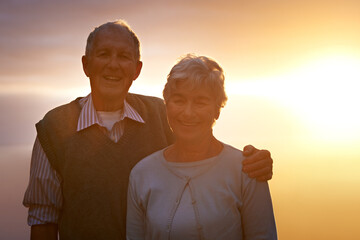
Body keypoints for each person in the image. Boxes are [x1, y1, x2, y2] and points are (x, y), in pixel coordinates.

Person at [23, 20, 274, 240]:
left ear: (137, 69)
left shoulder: (159, 113)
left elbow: (201, 147)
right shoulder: (54, 129)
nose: (113, 64)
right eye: (103, 54)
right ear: (86, 65)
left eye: (123, 56)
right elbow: (43, 220)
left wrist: (252, 162)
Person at [126, 54, 277, 240]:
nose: (188, 113)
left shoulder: (246, 171)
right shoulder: (142, 174)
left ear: (217, 110)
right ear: (166, 105)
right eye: (179, 100)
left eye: (200, 102)